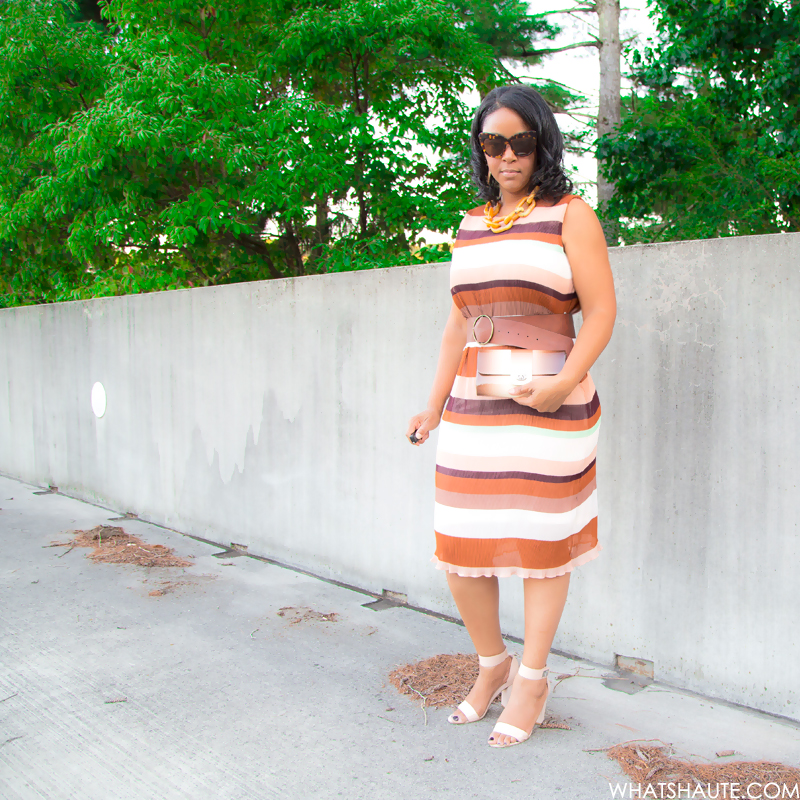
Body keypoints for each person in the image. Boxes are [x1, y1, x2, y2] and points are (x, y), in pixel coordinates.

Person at [406, 84, 616, 748]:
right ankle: (492, 664)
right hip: (476, 404)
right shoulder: (469, 225)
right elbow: (456, 326)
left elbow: (602, 312)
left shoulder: (569, 214)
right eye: (492, 143)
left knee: (539, 547)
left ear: (541, 143)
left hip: (551, 403)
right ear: (481, 150)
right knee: (461, 550)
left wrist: (566, 383)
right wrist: (432, 403)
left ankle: (532, 677)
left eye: (520, 142)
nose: (506, 155)